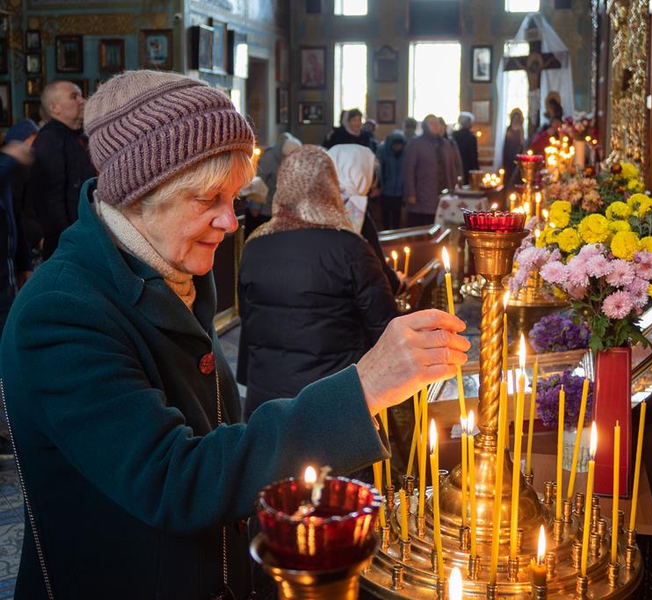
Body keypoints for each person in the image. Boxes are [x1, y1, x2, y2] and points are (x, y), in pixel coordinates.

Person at [0, 70, 468, 598]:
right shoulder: (62, 310)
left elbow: (219, 423)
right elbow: (176, 478)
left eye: (235, 197)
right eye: (209, 199)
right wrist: (363, 387)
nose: (231, 220)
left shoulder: (168, 267)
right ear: (142, 193)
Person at [239, 145, 398, 422]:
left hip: (267, 404)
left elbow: (249, 324)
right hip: (332, 401)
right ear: (330, 187)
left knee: (275, 465)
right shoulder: (350, 247)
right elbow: (384, 329)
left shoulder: (255, 245)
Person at [25, 80, 96, 260]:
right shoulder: (50, 141)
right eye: (74, 96)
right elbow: (49, 200)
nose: (82, 100)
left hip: (86, 233)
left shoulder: (79, 136)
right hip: (67, 243)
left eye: (80, 95)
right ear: (54, 108)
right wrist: (67, 240)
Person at [329, 144, 402, 294]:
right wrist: (399, 284)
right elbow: (376, 265)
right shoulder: (354, 208)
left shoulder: (316, 202)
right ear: (360, 170)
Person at [0, 119, 38, 334]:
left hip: (8, 276)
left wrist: (24, 264)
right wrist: (9, 156)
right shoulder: (6, 164)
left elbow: (14, 219)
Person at [403, 114, 463, 227]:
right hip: (423, 193)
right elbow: (409, 171)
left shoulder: (446, 144)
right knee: (425, 225)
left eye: (437, 123)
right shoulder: (415, 143)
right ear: (425, 126)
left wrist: (455, 186)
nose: (436, 126)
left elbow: (452, 167)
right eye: (431, 123)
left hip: (445, 192)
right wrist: (411, 193)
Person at [246, 132, 301, 235]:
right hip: (263, 209)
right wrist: (255, 207)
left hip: (278, 208)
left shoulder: (292, 153)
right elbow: (259, 181)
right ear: (283, 155)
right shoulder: (269, 158)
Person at [376, 130, 407, 230]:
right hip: (385, 190)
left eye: (399, 145)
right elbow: (378, 170)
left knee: (397, 213)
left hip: (399, 191)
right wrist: (380, 185)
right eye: (395, 145)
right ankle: (386, 232)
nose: (397, 147)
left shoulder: (406, 153)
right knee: (385, 213)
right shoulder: (382, 151)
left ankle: (395, 232)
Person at [453, 112, 480, 181]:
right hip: (468, 167)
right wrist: (477, 170)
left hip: (456, 166)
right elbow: (473, 155)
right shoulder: (471, 137)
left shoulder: (454, 135)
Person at [502, 108, 525, 185]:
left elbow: (522, 142)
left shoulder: (521, 129)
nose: (516, 120)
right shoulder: (509, 128)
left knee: (516, 175)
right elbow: (506, 142)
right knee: (508, 174)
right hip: (508, 153)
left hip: (517, 152)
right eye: (514, 118)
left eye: (517, 118)